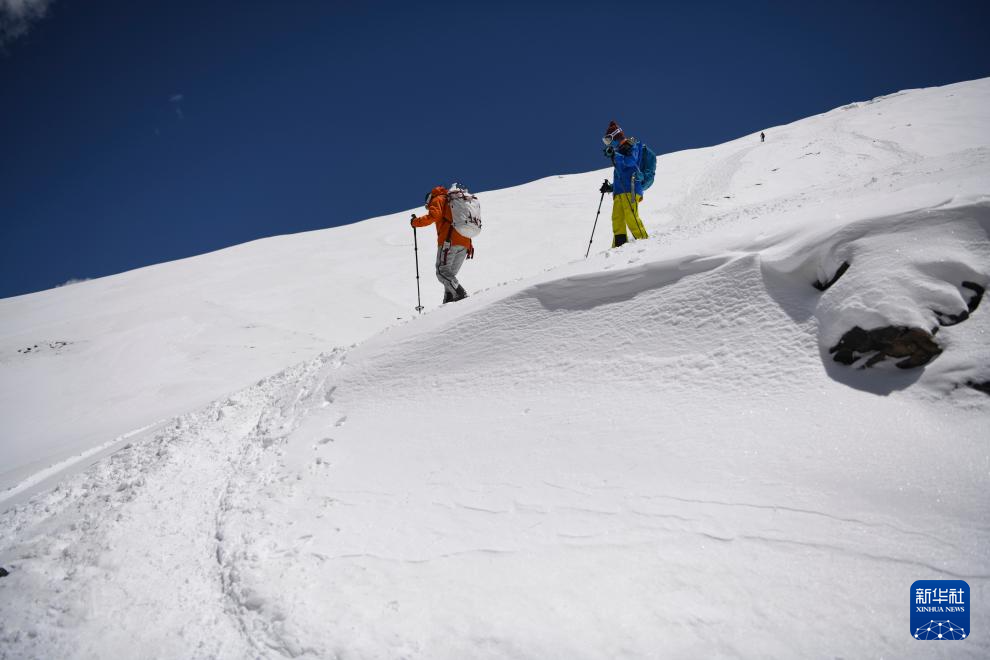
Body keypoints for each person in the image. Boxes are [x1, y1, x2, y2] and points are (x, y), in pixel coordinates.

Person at [411, 185, 474, 304]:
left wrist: (415, 222)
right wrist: (469, 244)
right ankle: (449, 300)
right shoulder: (453, 201)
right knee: (450, 275)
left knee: (442, 272)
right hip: (465, 241)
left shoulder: (437, 199)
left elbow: (434, 216)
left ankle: (460, 293)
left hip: (448, 241)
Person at [600, 120, 649, 247]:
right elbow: (620, 173)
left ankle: (644, 242)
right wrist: (610, 187)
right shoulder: (617, 151)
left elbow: (631, 162)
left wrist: (615, 155)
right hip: (619, 191)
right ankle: (619, 247)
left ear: (615, 136)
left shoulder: (632, 145)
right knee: (617, 219)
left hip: (631, 188)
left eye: (608, 139)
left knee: (631, 216)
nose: (609, 143)